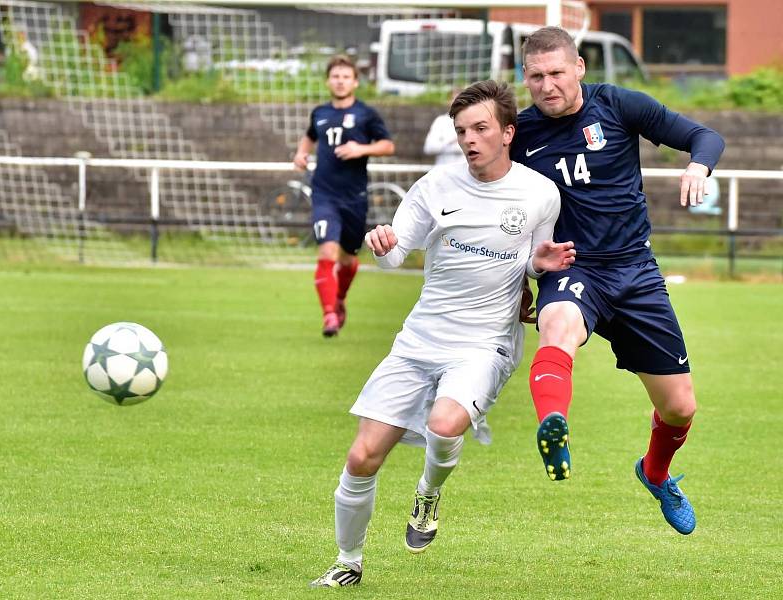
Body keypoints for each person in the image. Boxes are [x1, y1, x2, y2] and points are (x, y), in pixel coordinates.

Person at [310, 80, 576, 588]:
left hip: (485, 342)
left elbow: (537, 266)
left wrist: (539, 269)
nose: (469, 139)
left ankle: (428, 494)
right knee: (362, 456)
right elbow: (393, 255)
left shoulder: (539, 194)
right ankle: (347, 562)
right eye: (462, 131)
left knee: (445, 422)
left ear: (507, 133)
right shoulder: (436, 186)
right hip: (420, 338)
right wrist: (380, 241)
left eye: (480, 128)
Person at [509, 26, 725, 535]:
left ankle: (655, 473)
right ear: (525, 77)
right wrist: (520, 276)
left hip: (635, 271)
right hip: (573, 266)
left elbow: (704, 136)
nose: (547, 85)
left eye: (557, 73)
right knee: (558, 325)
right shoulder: (519, 136)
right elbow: (503, 215)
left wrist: (698, 166)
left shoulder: (618, 106)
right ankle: (551, 426)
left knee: (678, 407)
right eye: (536, 76)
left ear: (579, 67)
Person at [293, 54, 395, 337]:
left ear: (355, 81)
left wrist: (360, 149)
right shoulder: (320, 113)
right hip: (324, 194)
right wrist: (301, 153)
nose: (340, 81)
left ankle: (339, 299)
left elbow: (387, 145)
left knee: (349, 259)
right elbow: (310, 137)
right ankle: (329, 316)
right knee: (327, 250)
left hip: (354, 197)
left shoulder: (366, 114)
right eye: (335, 76)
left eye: (345, 76)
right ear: (328, 81)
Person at [422, 88, 465, 165]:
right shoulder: (440, 121)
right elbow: (428, 148)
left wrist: (444, 144)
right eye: (453, 99)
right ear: (448, 101)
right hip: (443, 173)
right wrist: (450, 141)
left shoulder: (471, 122)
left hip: (465, 174)